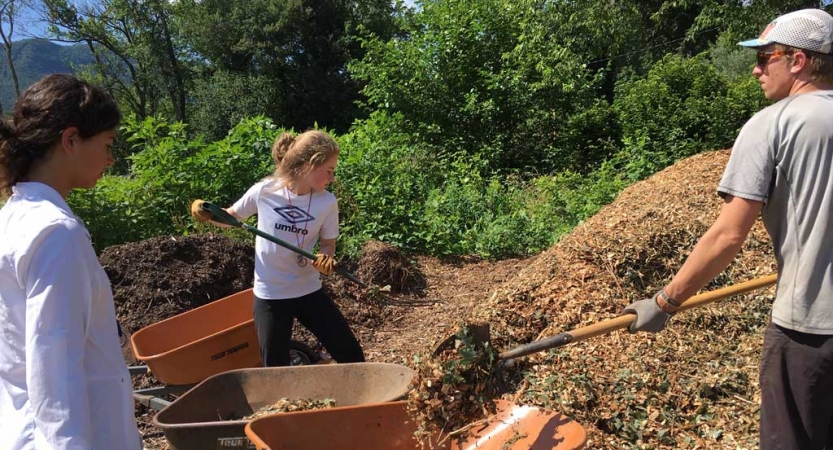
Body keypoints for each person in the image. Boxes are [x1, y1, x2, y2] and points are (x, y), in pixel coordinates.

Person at [622, 8, 833, 450]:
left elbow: (729, 234)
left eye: (765, 57)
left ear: (798, 61)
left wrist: (665, 300)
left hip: (811, 331)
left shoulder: (774, 123)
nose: (756, 69)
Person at [0, 75, 142, 449]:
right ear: (71, 140)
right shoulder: (56, 233)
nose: (111, 159)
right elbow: (55, 367)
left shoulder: (14, 218)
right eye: (108, 144)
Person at [191, 130, 365, 367]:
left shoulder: (327, 202)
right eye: (329, 171)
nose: (332, 178)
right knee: (275, 368)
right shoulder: (265, 191)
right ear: (310, 165)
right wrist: (207, 212)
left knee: (352, 356)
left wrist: (326, 257)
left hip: (308, 290)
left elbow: (328, 243)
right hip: (271, 294)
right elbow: (231, 216)